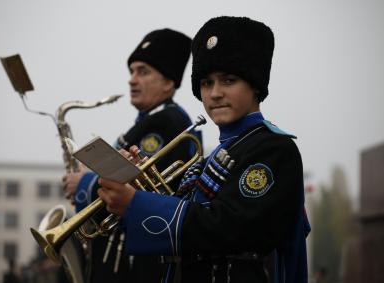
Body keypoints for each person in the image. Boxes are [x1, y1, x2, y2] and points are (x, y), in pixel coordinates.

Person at [97, 16, 310, 283]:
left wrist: (137, 204)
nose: (215, 93)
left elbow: (231, 226)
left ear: (255, 84)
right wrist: (139, 188)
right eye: (207, 83)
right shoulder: (211, 159)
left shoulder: (274, 149)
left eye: (229, 80)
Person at [62, 28, 201, 283]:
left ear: (169, 82)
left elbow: (141, 189)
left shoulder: (167, 122)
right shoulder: (151, 120)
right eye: (132, 71)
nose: (132, 79)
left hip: (138, 265)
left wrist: (84, 184)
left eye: (143, 72)